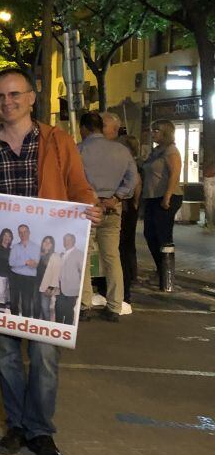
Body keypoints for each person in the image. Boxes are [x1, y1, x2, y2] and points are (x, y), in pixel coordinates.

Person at [0, 67, 98, 455]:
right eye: (1, 97)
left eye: (15, 95)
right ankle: (16, 425)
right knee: (5, 354)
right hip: (3, 272)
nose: (8, 102)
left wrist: (92, 210)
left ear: (33, 97)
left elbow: (80, 189)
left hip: (44, 269)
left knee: (44, 354)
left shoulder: (58, 142)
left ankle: (41, 430)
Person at [78, 111, 138, 322]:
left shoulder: (80, 150)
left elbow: (74, 179)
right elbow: (133, 178)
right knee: (112, 256)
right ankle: (114, 306)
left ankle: (84, 305)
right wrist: (117, 197)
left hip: (88, 208)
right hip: (113, 207)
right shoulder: (122, 150)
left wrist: (93, 197)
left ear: (84, 128)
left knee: (83, 257)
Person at [141, 119, 183, 287]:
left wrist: (167, 195)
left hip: (165, 197)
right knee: (150, 234)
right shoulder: (156, 151)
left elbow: (174, 174)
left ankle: (167, 278)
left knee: (163, 235)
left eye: (156, 130)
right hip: (152, 197)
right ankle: (160, 270)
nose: (153, 133)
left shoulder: (171, 151)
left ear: (165, 132)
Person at [119, 134, 143, 313]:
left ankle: (124, 291)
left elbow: (136, 182)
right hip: (129, 208)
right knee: (126, 247)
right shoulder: (131, 161)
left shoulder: (128, 162)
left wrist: (134, 202)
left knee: (123, 248)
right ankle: (128, 282)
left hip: (126, 208)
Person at [8, 224, 40, 318]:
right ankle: (14, 323)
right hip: (15, 277)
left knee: (26, 304)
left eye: (25, 232)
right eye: (20, 232)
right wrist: (26, 262)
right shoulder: (15, 247)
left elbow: (35, 264)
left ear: (29, 233)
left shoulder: (36, 247)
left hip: (29, 279)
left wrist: (19, 262)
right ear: (18, 234)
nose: (23, 234)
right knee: (13, 303)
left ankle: (24, 326)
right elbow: (11, 263)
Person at [56, 233, 84, 324]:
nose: (66, 242)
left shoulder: (79, 254)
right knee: (58, 310)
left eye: (69, 240)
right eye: (65, 240)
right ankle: (57, 330)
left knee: (68, 312)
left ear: (74, 241)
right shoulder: (61, 254)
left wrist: (79, 288)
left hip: (72, 289)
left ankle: (67, 332)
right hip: (60, 288)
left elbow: (82, 272)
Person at [35, 236, 62, 322]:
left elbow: (56, 273)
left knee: (45, 308)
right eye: (45, 241)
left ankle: (47, 326)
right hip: (35, 285)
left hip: (46, 287)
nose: (46, 243)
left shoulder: (55, 256)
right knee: (36, 308)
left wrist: (51, 287)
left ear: (52, 245)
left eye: (49, 242)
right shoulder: (37, 255)